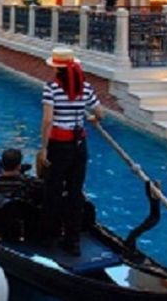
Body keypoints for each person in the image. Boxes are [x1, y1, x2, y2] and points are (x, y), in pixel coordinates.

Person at [38, 47, 103, 256]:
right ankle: (72, 242)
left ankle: (49, 237)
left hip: (59, 145)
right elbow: (99, 112)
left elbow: (48, 120)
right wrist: (93, 119)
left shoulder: (51, 88)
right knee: (75, 193)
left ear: (57, 69)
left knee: (53, 191)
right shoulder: (85, 87)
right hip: (79, 145)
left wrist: (44, 148)